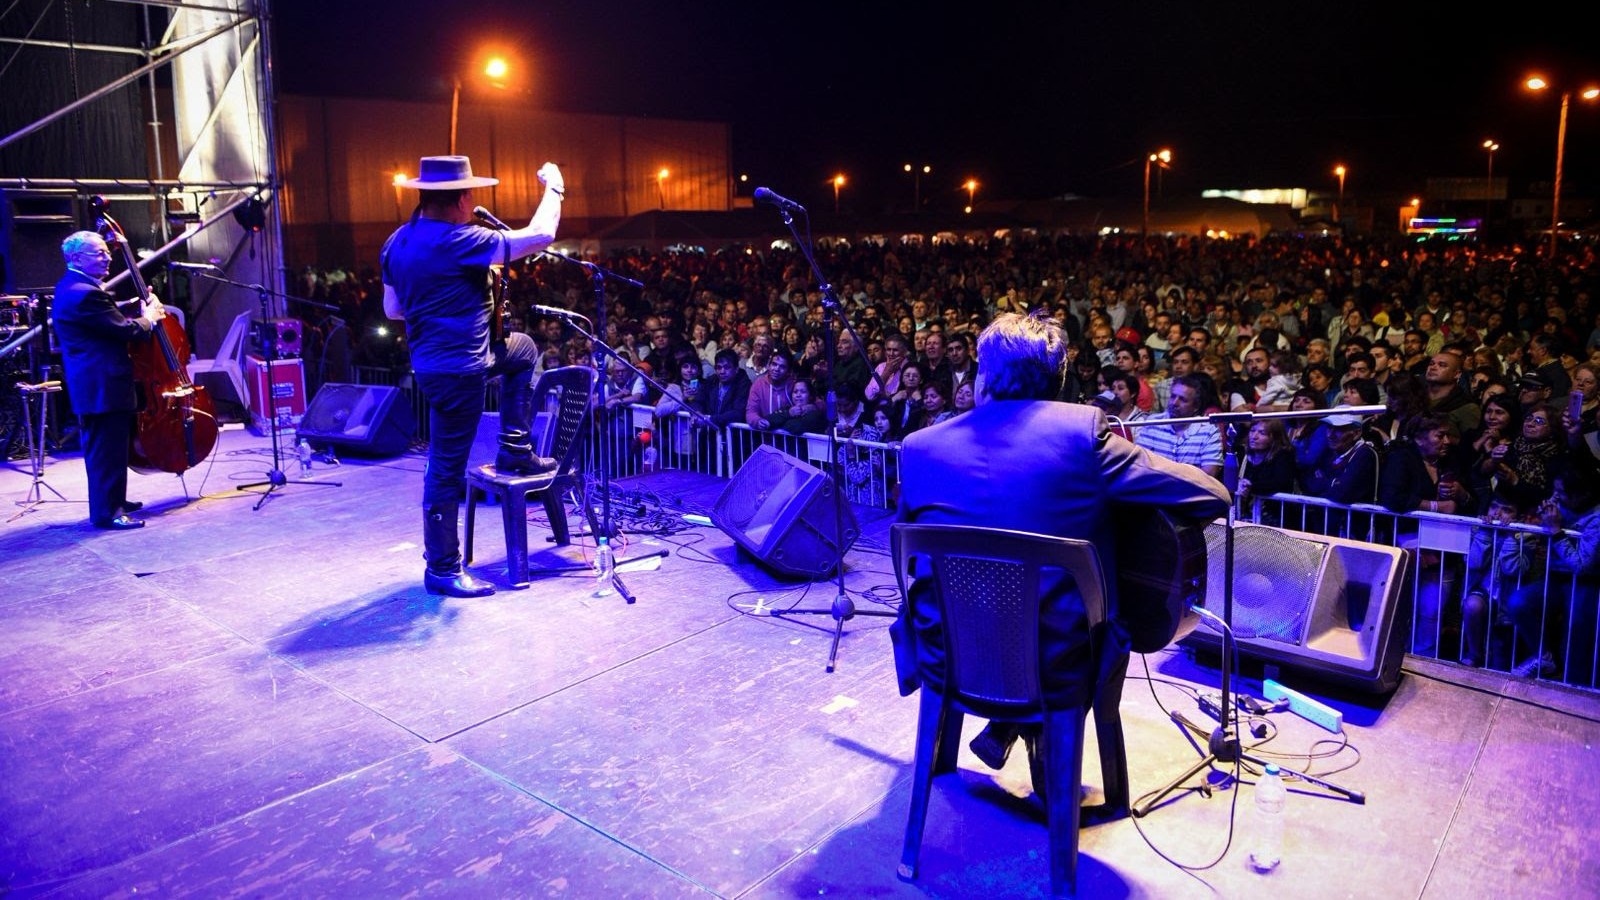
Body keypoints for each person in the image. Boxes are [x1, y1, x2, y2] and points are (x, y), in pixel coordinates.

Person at [893, 312, 1230, 770]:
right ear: (1058, 380)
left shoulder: (920, 446)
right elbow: (1212, 494)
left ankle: (1006, 728)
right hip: (1055, 662)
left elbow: (908, 555)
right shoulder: (1080, 434)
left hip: (949, 650)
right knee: (1068, 605)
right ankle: (1039, 742)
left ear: (983, 375)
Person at [381, 154, 563, 597]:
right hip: (460, 370)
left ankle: (515, 449)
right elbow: (541, 234)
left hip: (431, 365)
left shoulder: (397, 241)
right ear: (462, 199)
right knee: (445, 468)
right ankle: (442, 569)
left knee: (522, 349)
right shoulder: (460, 238)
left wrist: (441, 299)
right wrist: (555, 186)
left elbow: (393, 309)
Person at [51, 230, 169, 530]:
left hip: (95, 384)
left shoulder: (74, 286)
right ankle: (108, 512)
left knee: (111, 448)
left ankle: (115, 500)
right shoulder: (85, 293)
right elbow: (125, 331)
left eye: (107, 252)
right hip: (102, 384)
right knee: (106, 451)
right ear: (77, 258)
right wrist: (149, 318)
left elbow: (102, 320)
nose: (107, 258)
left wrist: (131, 305)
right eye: (99, 253)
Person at [1132, 374, 1224, 479]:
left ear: (1196, 406)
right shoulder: (1153, 423)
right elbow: (1139, 464)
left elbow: (1210, 474)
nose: (1175, 403)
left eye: (1183, 399)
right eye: (1173, 396)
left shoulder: (1209, 430)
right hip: (1155, 487)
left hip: (1191, 489)